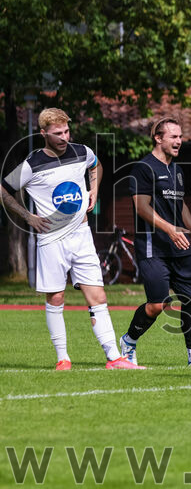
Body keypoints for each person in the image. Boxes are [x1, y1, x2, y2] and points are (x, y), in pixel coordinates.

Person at [1, 108, 141, 370]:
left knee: (98, 296)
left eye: (66, 131)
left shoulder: (81, 152)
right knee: (55, 298)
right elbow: (4, 191)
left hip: (82, 237)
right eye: (57, 133)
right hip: (51, 240)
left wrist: (94, 189)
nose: (64, 137)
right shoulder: (32, 163)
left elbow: (96, 165)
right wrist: (28, 217)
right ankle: (63, 358)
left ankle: (114, 358)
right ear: (44, 133)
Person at [118, 117, 191, 367]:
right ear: (158, 138)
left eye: (180, 137)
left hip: (179, 246)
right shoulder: (143, 168)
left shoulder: (177, 171)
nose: (179, 141)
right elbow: (141, 207)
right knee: (157, 304)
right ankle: (129, 340)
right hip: (153, 247)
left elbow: (180, 205)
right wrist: (170, 229)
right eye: (174, 136)